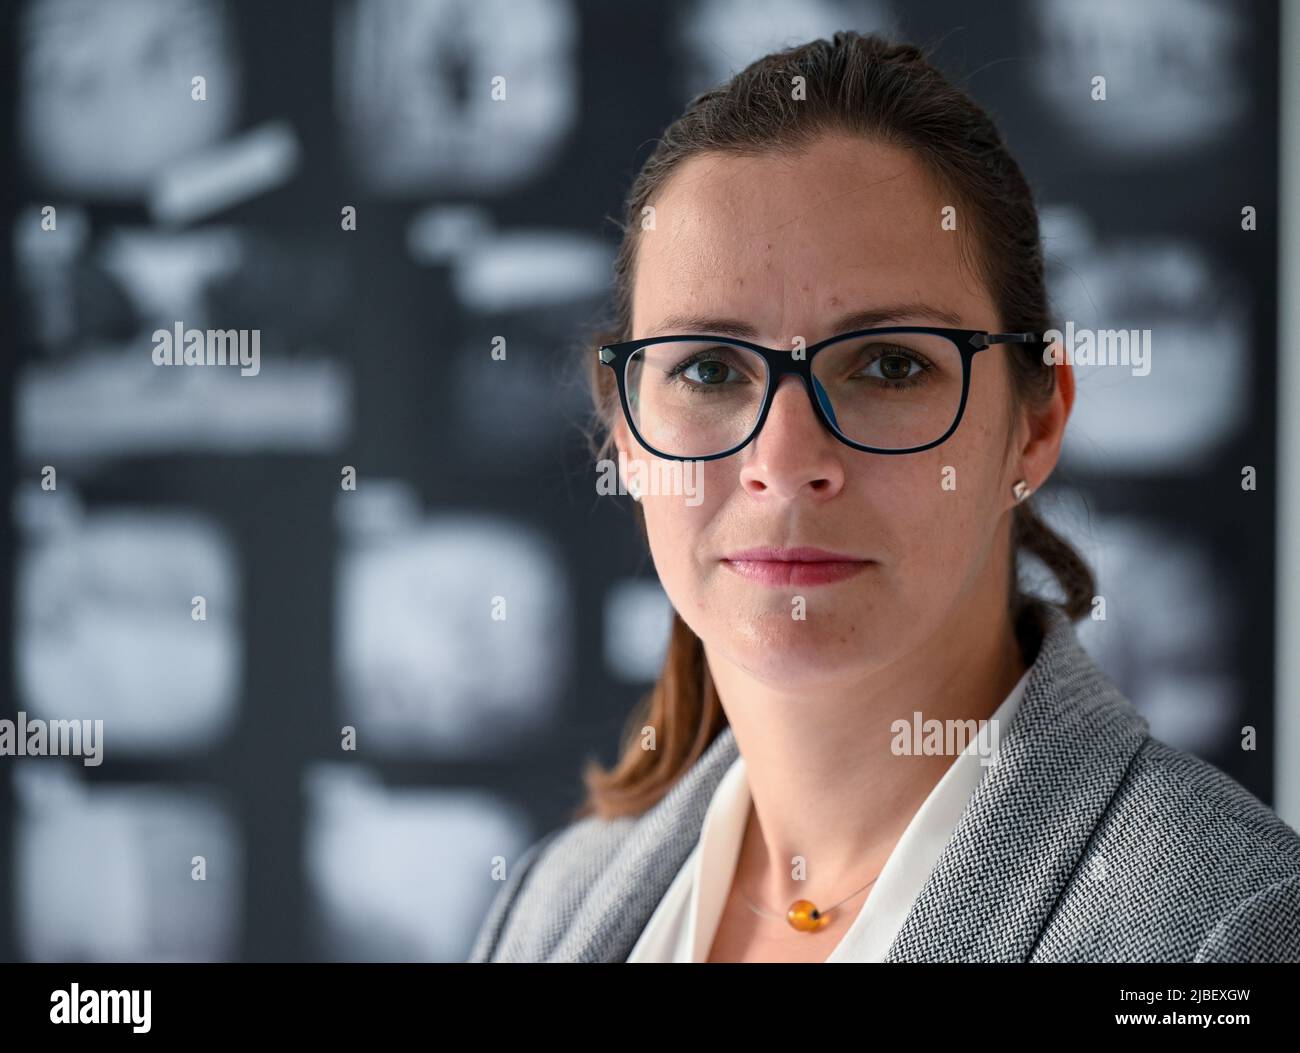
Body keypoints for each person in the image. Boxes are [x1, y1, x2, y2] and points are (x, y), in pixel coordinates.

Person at [469, 30, 1300, 963]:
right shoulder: (546, 909)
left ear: (1034, 426)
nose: (784, 461)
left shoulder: (1224, 934)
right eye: (707, 368)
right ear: (624, 433)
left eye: (890, 363)